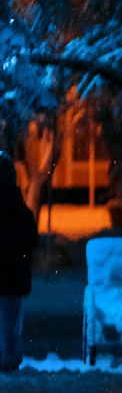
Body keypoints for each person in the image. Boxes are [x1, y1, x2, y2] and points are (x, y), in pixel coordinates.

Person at [0, 152, 38, 372]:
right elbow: (31, 238)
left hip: (9, 273)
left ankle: (7, 358)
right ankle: (10, 357)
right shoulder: (18, 208)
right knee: (11, 319)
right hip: (14, 275)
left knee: (6, 319)